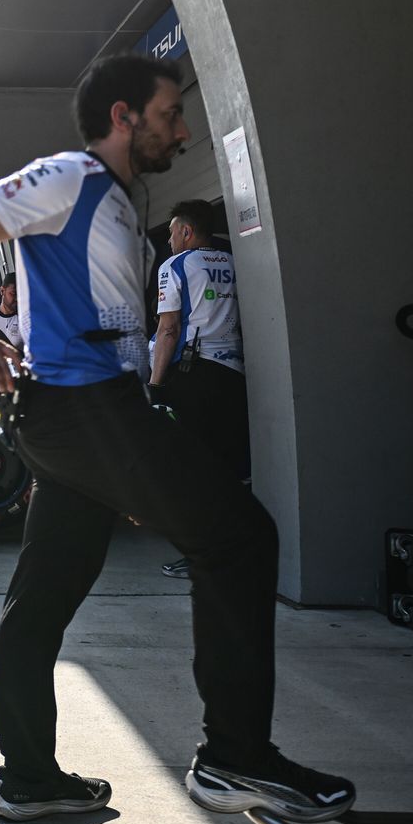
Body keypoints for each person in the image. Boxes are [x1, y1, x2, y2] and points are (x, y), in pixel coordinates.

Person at [0, 53, 353, 824]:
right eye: (169, 114)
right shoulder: (71, 175)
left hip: (81, 416)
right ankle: (233, 756)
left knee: (43, 598)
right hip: (82, 410)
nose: (182, 130)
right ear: (122, 117)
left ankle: (27, 778)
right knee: (239, 540)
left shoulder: (118, 203)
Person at [148, 198, 248, 578]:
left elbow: (168, 329)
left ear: (187, 231)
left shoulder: (175, 265)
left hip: (194, 375)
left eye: (172, 232)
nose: (169, 240)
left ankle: (201, 556)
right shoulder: (234, 260)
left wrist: (156, 384)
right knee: (226, 468)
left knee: (191, 470)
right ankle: (230, 550)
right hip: (234, 373)